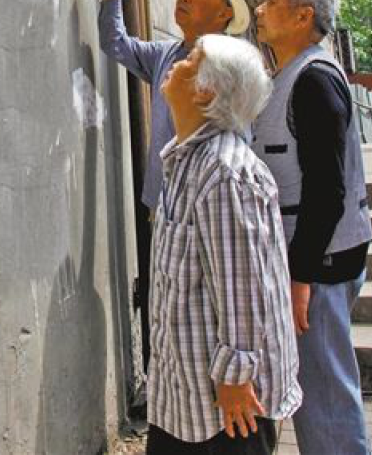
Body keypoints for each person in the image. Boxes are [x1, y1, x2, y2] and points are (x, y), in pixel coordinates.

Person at [147, 34, 301, 454]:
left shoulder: (224, 172)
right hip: (185, 397)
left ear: (205, 91)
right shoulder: (186, 160)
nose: (177, 63)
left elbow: (243, 286)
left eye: (190, 60)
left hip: (229, 407)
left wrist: (236, 376)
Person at [253, 0, 372, 455]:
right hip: (311, 263)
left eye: (271, 0)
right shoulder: (292, 73)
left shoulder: (314, 80)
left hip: (319, 265)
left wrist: (300, 277)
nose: (259, 8)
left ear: (304, 16)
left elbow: (327, 190)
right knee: (318, 387)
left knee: (324, 394)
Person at [92, 0, 250, 211]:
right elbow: (115, 43)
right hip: (163, 201)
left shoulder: (233, 66)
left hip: (208, 203)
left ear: (225, 12)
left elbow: (240, 140)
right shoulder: (165, 53)